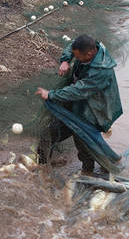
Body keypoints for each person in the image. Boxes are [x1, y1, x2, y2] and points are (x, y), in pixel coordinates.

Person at [35, 34, 123, 173]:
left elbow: (78, 91)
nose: (76, 59)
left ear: (89, 54)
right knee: (48, 134)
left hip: (93, 110)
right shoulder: (90, 46)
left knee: (83, 143)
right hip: (76, 106)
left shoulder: (101, 70)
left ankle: (87, 173)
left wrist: (51, 94)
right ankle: (41, 168)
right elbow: (72, 46)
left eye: (78, 57)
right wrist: (65, 60)